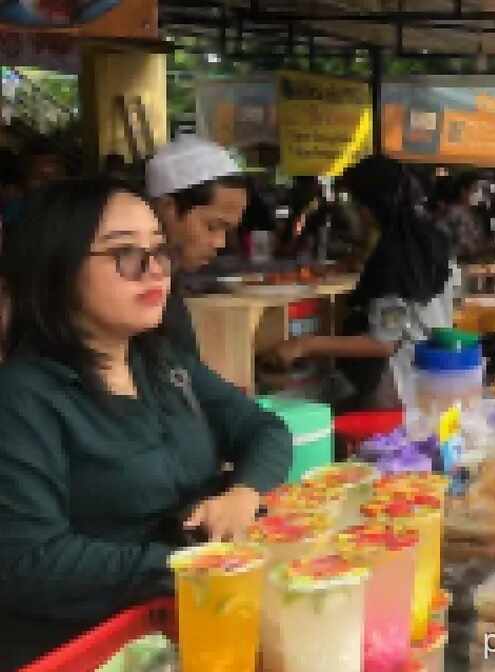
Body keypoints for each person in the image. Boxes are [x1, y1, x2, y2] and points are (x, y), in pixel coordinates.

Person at [0, 178, 292, 668]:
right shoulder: (23, 397)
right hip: (87, 649)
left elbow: (265, 431)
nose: (154, 269)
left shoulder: (162, 365)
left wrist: (244, 493)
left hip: (187, 620)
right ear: (58, 267)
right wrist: (184, 562)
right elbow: (30, 562)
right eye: (126, 255)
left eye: (158, 251)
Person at [264, 156, 454, 410]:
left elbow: (383, 343)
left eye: (355, 203)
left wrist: (303, 344)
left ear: (370, 205)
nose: (355, 212)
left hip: (400, 382)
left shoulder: (394, 257)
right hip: (437, 370)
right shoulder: (434, 239)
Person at [145, 136, 249, 356]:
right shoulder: (131, 294)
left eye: (227, 231)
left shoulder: (169, 288)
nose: (220, 243)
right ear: (167, 208)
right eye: (212, 226)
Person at [437, 170, 490, 261]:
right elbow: (467, 249)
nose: (480, 195)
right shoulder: (456, 214)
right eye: (476, 190)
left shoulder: (472, 214)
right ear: (463, 191)